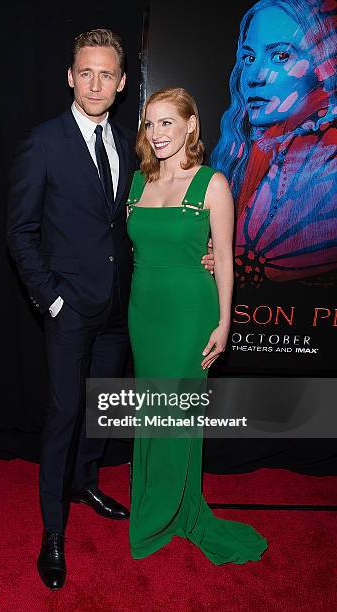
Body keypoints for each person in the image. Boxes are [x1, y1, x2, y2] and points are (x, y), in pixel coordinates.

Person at [7, 29, 215, 589]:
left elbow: (148, 219)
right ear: (70, 77)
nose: (96, 83)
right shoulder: (43, 143)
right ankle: (53, 530)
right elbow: (20, 233)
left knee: (104, 407)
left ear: (123, 84)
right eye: (86, 72)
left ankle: (86, 480)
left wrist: (207, 248)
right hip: (68, 310)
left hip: (123, 309)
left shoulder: (133, 144)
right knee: (63, 416)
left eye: (107, 75)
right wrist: (51, 299)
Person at [127, 87, 267, 563]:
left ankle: (159, 517)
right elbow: (142, 249)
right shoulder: (136, 182)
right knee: (152, 410)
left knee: (175, 413)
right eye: (150, 123)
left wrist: (225, 323)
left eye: (168, 122)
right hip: (144, 310)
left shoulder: (212, 183)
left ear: (191, 126)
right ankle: (168, 502)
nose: (157, 133)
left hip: (191, 313)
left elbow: (225, 260)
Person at [210, 0, 336, 288]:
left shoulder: (327, 162)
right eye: (249, 58)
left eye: (280, 56)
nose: (254, 76)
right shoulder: (240, 157)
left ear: (323, 65)